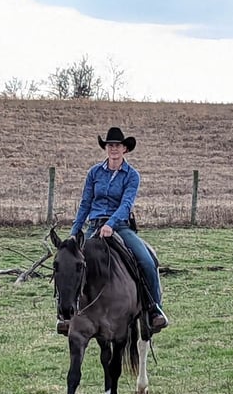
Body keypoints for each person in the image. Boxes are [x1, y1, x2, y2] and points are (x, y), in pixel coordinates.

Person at [56, 126, 169, 335]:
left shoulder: (132, 175)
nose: (113, 149)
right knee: (69, 263)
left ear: (125, 149)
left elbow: (126, 204)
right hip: (94, 226)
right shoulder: (94, 173)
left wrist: (111, 224)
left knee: (146, 260)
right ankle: (65, 316)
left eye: (117, 145)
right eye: (110, 145)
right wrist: (75, 231)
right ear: (106, 148)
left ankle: (154, 310)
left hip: (120, 227)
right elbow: (85, 203)